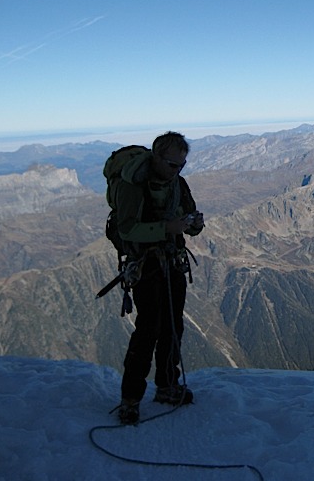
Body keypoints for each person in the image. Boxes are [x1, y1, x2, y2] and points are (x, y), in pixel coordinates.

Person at [113, 131, 204, 425]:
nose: (177, 170)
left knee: (173, 327)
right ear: (156, 156)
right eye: (172, 164)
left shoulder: (178, 183)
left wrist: (194, 225)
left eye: (182, 165)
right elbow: (126, 229)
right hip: (147, 266)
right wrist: (168, 228)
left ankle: (167, 385)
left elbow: (189, 221)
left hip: (173, 263)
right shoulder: (133, 187)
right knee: (148, 329)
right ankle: (130, 399)